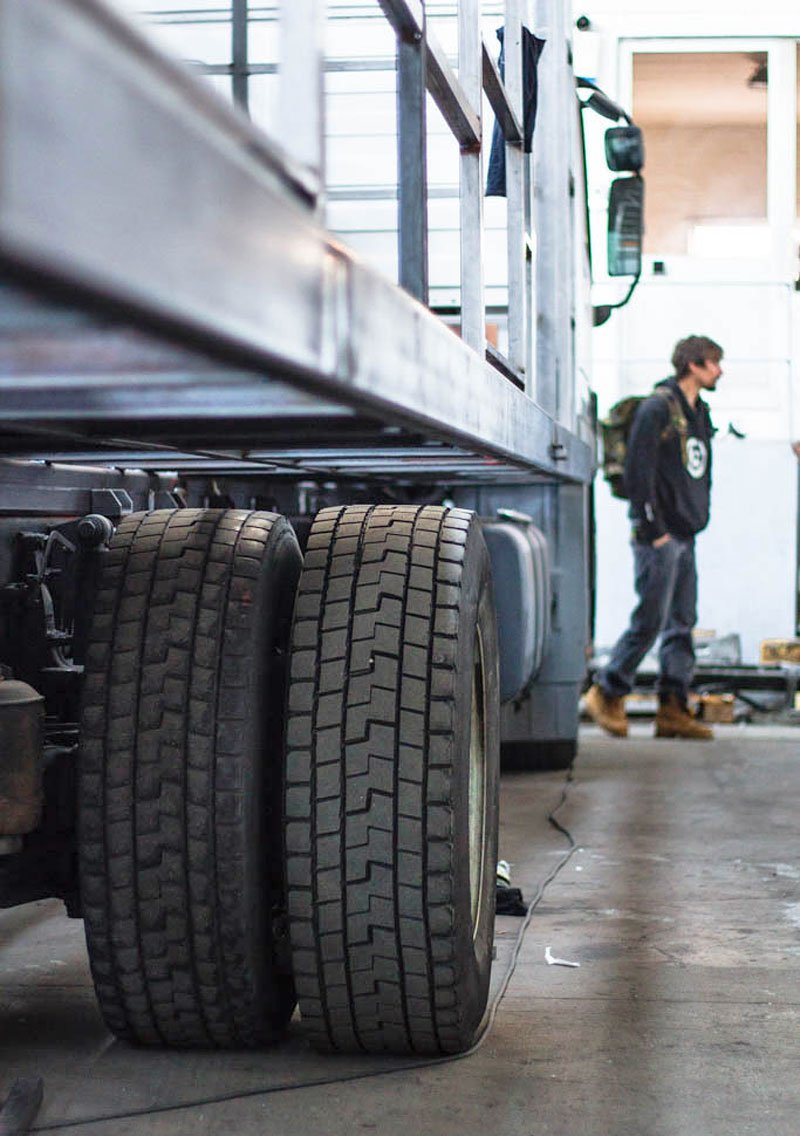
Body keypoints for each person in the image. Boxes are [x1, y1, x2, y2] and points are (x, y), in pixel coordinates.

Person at [586, 334, 724, 740]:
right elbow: (637, 475)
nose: (720, 370)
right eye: (714, 362)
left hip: (685, 534)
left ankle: (672, 708)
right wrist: (653, 530)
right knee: (651, 619)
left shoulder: (699, 413)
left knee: (682, 623)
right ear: (693, 366)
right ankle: (607, 692)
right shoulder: (656, 408)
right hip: (659, 537)